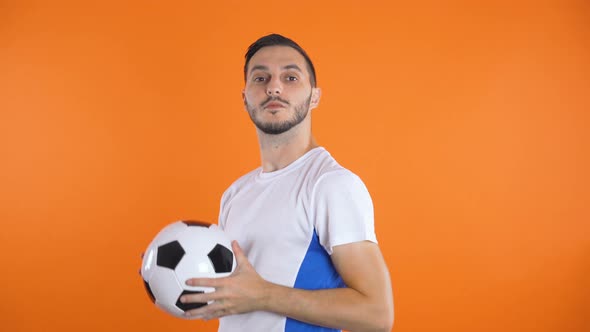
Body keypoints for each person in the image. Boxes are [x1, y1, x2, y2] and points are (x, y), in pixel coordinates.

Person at [181, 34, 394, 332]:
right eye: (260, 78)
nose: (274, 87)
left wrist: (263, 296)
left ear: (315, 96)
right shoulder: (235, 194)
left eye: (290, 77)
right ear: (245, 98)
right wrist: (175, 276)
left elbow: (376, 314)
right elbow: (240, 294)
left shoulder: (331, 185)